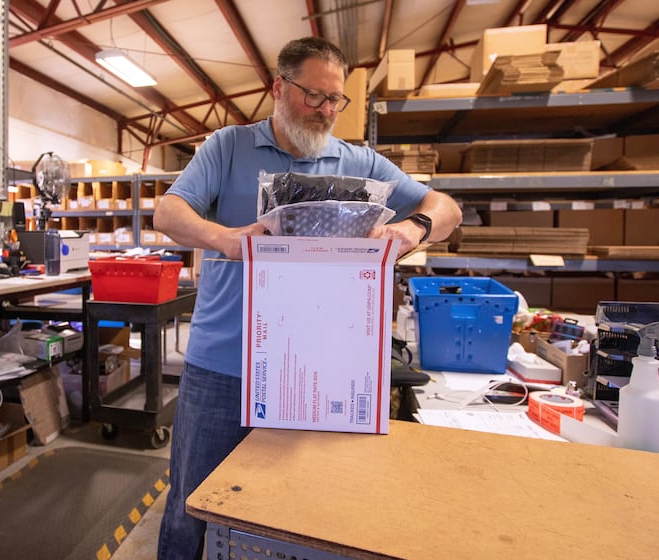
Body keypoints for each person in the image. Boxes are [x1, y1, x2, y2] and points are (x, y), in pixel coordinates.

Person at [152, 36, 462, 559]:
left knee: (291, 511)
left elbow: (446, 208)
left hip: (315, 373)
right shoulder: (228, 146)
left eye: (335, 99)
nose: (325, 110)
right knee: (191, 505)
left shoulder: (359, 162)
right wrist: (226, 238)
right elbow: (168, 212)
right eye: (313, 95)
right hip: (223, 366)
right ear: (278, 87)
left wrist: (413, 229)